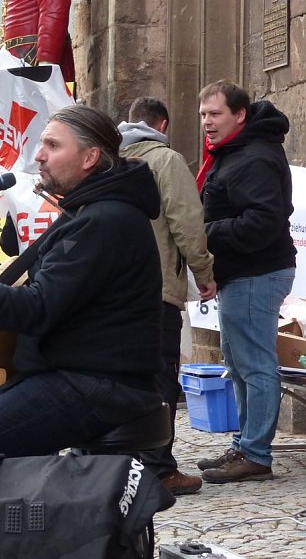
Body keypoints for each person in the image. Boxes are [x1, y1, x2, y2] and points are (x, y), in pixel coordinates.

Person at [0, 105, 165, 558]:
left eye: (53, 146)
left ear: (90, 158)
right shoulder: (93, 212)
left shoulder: (105, 220)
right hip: (77, 372)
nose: (39, 157)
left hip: (100, 384)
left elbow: (36, 309)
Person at [196, 81, 296, 483]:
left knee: (255, 366)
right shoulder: (235, 152)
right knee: (238, 365)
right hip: (241, 272)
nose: (207, 122)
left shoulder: (252, 157)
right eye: (203, 114)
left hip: (258, 272)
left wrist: (206, 233)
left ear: (239, 115)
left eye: (215, 114)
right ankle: (245, 445)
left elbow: (264, 221)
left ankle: (255, 454)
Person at [118, 97, 217, 495]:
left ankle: (123, 464)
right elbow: (186, 223)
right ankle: (159, 468)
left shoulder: (105, 157)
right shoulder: (165, 160)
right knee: (159, 378)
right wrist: (204, 272)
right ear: (163, 124)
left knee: (119, 378)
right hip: (155, 289)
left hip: (110, 291)